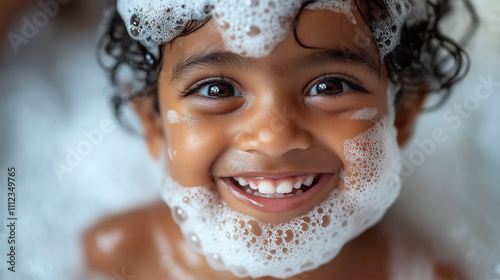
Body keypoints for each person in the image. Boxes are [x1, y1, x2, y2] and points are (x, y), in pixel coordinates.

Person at [84, 0, 475, 279]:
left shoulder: (422, 272)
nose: (275, 139)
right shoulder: (121, 254)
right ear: (154, 124)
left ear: (401, 114)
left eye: (330, 86)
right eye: (218, 90)